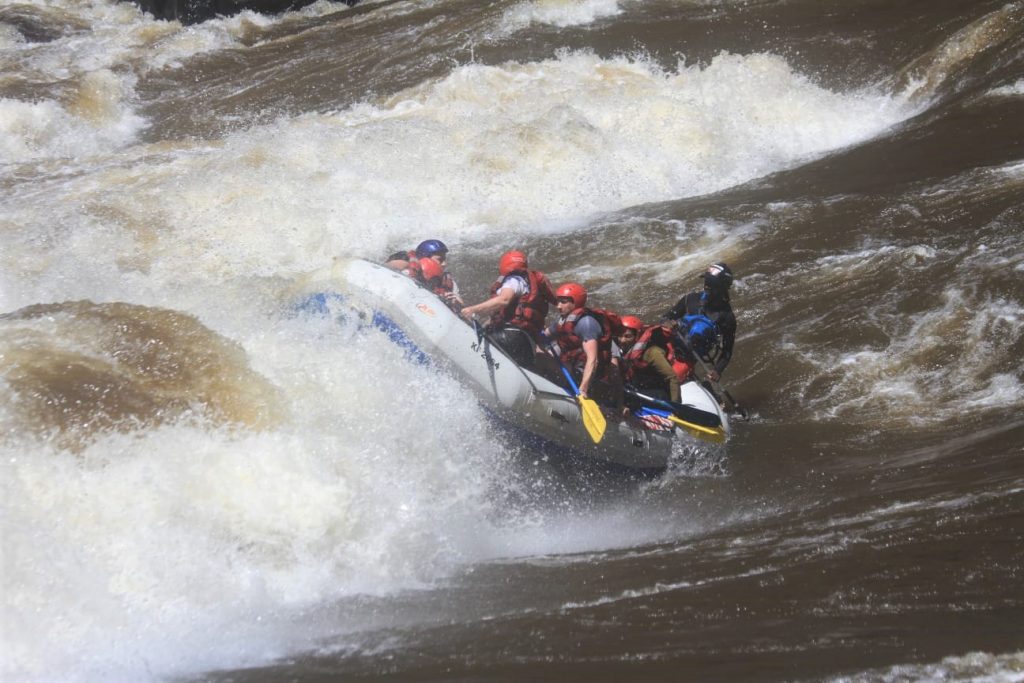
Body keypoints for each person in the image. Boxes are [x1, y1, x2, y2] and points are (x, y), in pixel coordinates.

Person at [459, 250, 556, 367]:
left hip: (508, 336)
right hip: (524, 339)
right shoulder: (528, 283)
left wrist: (472, 309)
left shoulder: (513, 281)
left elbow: (504, 300)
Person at [545, 282, 625, 416]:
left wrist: (584, 388)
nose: (558, 306)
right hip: (571, 364)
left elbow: (593, 360)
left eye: (563, 302)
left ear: (575, 302)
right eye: (558, 302)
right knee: (541, 354)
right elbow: (545, 335)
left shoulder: (587, 324)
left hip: (587, 374)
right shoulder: (563, 320)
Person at [664, 261, 737, 383]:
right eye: (706, 281)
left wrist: (717, 371)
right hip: (666, 347)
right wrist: (668, 322)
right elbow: (667, 317)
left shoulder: (727, 318)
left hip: (686, 360)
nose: (706, 286)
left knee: (671, 378)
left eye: (711, 283)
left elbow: (727, 352)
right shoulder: (691, 299)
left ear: (722, 287)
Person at [617, 316, 682, 403]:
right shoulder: (623, 350)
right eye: (620, 336)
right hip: (640, 387)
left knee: (627, 397)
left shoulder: (652, 352)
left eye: (628, 336)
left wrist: (676, 406)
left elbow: (672, 378)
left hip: (660, 393)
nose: (622, 340)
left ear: (637, 336)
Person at [386, 239, 463, 308]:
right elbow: (386, 267)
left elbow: (463, 307)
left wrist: (454, 302)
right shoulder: (407, 268)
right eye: (440, 260)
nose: (444, 264)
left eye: (445, 259)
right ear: (425, 258)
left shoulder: (448, 281)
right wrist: (407, 264)